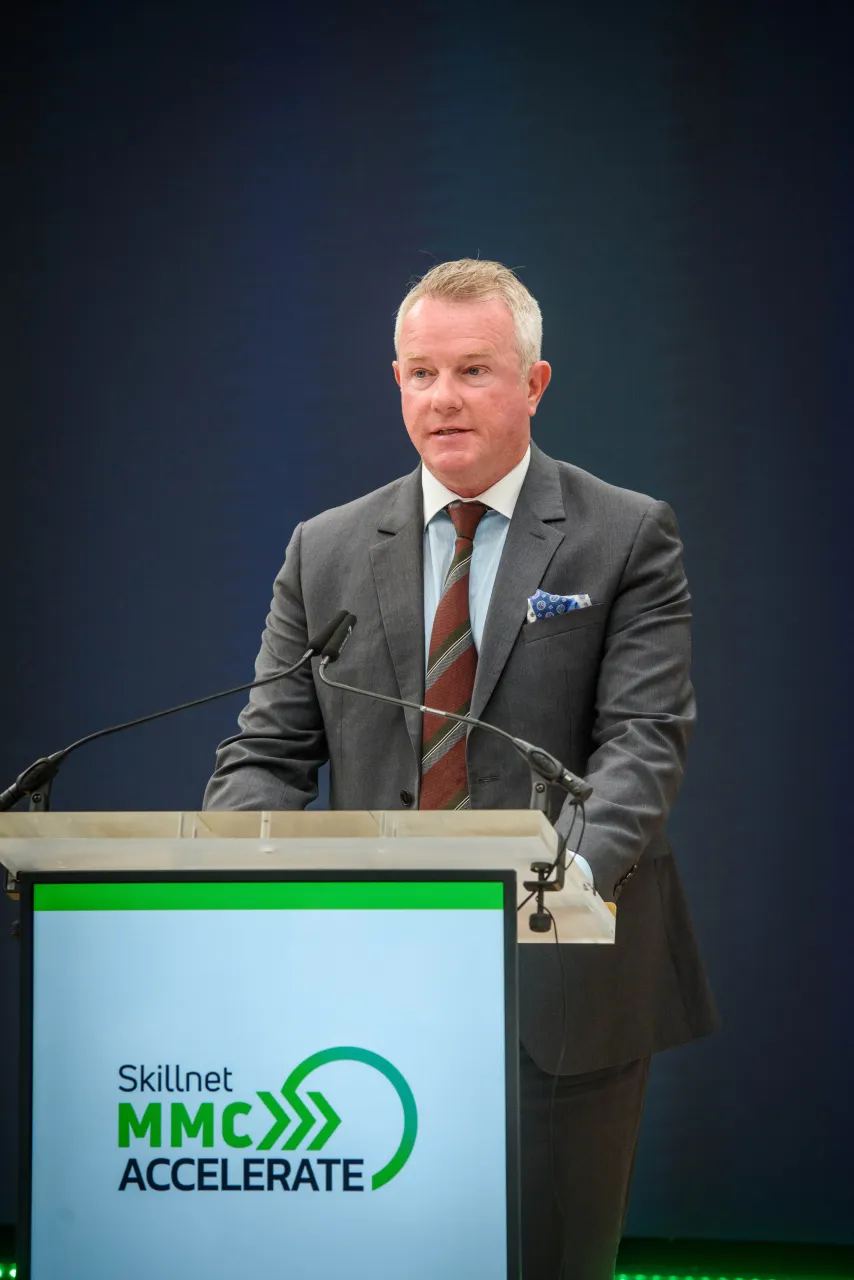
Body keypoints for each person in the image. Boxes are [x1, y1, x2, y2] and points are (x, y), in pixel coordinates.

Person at [204, 258, 718, 1278]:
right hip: (368, 981)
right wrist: (239, 875)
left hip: (560, 982)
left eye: (473, 369)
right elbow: (264, 750)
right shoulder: (326, 548)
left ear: (532, 384)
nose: (441, 397)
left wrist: (554, 884)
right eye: (419, 372)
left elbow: (641, 739)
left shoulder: (623, 535)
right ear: (394, 381)